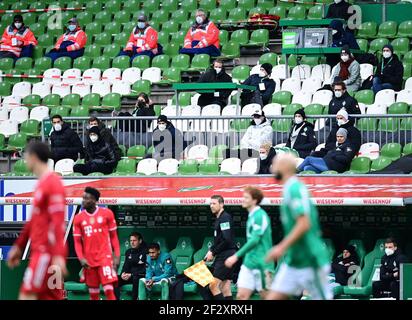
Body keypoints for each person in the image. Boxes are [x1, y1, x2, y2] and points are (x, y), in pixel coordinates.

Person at [266, 153, 332, 300]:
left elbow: (304, 223)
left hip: (311, 259)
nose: (272, 168)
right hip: (294, 260)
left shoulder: (294, 188)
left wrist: (280, 247)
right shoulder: (289, 188)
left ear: (284, 167)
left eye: (275, 164)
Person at [7, 141, 67, 300]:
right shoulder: (41, 184)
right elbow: (32, 221)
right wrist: (19, 247)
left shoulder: (53, 184)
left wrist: (59, 254)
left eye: (26, 156)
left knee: (26, 295)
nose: (25, 160)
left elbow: (58, 222)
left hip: (46, 253)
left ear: (33, 157)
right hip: (40, 251)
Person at [225, 186, 274, 300]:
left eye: (246, 197)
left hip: (263, 263)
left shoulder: (260, 215)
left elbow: (254, 240)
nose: (243, 199)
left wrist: (236, 256)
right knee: (241, 296)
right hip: (248, 264)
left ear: (255, 200)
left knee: (266, 297)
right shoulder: (251, 216)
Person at [73, 187, 120, 300]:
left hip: (105, 257)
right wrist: (81, 258)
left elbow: (114, 237)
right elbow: (77, 242)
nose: (83, 201)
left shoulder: (107, 214)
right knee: (93, 293)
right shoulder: (78, 218)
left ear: (94, 200)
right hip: (89, 260)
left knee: (108, 289)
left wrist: (117, 255)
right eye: (83, 198)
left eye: (86, 198)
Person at [203, 195, 237, 300]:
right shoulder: (219, 218)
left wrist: (213, 252)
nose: (211, 206)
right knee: (225, 286)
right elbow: (219, 240)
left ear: (221, 204)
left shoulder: (225, 217)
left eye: (214, 203)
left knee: (213, 286)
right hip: (227, 254)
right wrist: (211, 250)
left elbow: (227, 240)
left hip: (226, 255)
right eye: (210, 204)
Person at [114, 232, 147, 300]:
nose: (132, 242)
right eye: (131, 241)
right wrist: (123, 273)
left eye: (134, 240)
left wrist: (132, 274)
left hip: (140, 276)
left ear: (140, 241)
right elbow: (126, 265)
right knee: (115, 279)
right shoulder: (128, 252)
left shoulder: (145, 252)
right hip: (129, 276)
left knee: (136, 278)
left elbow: (145, 269)